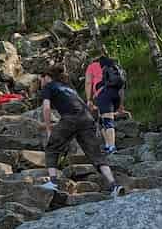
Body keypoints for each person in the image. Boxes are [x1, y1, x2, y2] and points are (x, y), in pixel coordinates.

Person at [38, 64, 121, 196]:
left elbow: (46, 108)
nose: (40, 83)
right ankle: (114, 185)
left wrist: (48, 129)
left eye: (40, 80)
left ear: (46, 77)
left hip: (70, 119)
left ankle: (53, 182)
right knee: (96, 155)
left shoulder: (49, 86)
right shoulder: (69, 88)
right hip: (87, 119)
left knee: (52, 147)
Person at [84, 45, 127, 154]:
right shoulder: (114, 65)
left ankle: (112, 147)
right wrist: (121, 104)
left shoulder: (92, 66)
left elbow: (88, 83)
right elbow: (121, 85)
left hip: (103, 94)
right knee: (100, 119)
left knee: (107, 121)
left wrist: (89, 99)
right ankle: (108, 144)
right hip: (116, 93)